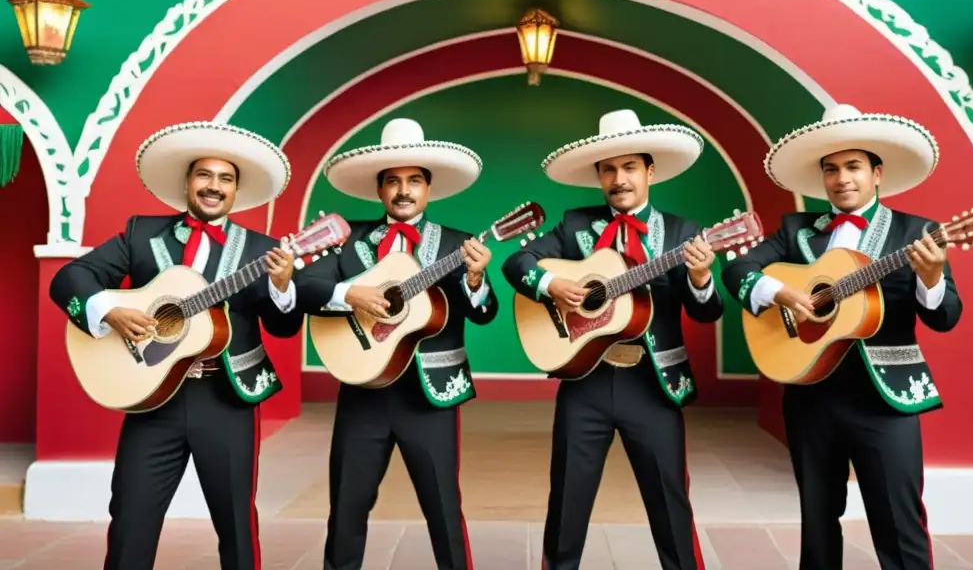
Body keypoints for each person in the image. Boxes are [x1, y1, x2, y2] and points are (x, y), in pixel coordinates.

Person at [50, 121, 307, 570]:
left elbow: (283, 329)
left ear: (235, 191)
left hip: (226, 398)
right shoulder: (141, 233)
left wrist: (284, 287)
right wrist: (108, 310)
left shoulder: (263, 251)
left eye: (225, 179)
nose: (214, 186)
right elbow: (69, 278)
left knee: (237, 528)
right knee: (130, 518)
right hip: (151, 398)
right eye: (204, 175)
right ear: (187, 183)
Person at [721, 104, 961, 570]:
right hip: (812, 395)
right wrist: (780, 292)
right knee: (817, 521)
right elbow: (737, 270)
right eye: (830, 169)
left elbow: (946, 316)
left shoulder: (917, 233)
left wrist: (930, 279)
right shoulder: (797, 231)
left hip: (886, 398)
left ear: (877, 173)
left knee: (899, 524)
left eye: (853, 166)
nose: (841, 178)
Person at [502, 109, 724, 570]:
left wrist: (701, 277)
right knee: (567, 500)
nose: (618, 179)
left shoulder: (683, 233)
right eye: (608, 169)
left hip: (654, 384)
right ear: (599, 176)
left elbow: (707, 312)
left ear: (649, 171)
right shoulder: (574, 224)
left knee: (669, 502)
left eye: (629, 168)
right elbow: (517, 264)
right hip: (586, 381)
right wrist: (551, 285)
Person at [299, 118, 498, 570]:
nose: (403, 191)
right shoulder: (347, 240)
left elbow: (485, 313)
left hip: (430, 394)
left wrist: (474, 278)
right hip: (362, 389)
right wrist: (349, 293)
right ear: (379, 189)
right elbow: (306, 288)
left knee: (443, 509)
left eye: (413, 181)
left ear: (429, 188)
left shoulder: (458, 243)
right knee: (347, 508)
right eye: (392, 181)